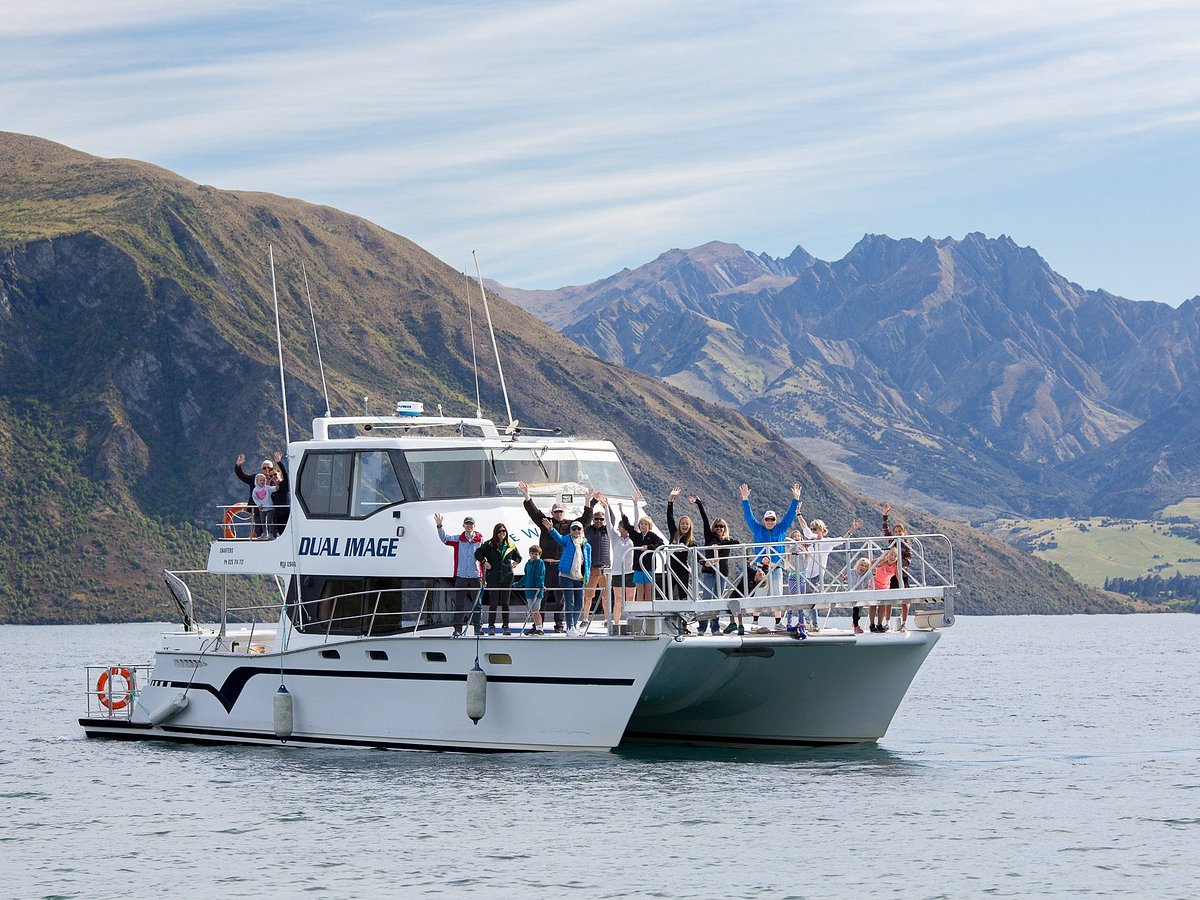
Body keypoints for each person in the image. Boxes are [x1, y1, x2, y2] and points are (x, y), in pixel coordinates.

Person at [741, 482, 802, 627]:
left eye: (772, 519)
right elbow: (748, 517)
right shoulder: (758, 529)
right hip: (761, 567)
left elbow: (789, 516)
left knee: (777, 593)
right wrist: (745, 500)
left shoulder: (781, 529)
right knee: (760, 593)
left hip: (776, 566)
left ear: (775, 520)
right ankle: (755, 621)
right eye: (767, 519)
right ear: (764, 520)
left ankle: (777, 622)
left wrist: (796, 499)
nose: (770, 522)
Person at [796, 510, 863, 631]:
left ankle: (814, 624)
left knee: (812, 599)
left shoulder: (827, 542)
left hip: (817, 575)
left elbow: (842, 540)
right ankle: (808, 623)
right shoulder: (811, 538)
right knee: (807, 600)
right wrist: (798, 513)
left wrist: (852, 530)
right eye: (812, 529)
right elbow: (804, 526)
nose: (813, 531)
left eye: (815, 529)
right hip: (807, 573)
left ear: (822, 529)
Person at [519, 482, 568, 633]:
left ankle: (559, 625)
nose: (558, 514)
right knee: (541, 595)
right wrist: (527, 495)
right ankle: (538, 626)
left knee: (560, 597)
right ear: (552, 513)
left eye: (560, 512)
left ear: (564, 513)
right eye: (556, 512)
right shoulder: (546, 522)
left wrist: (590, 503)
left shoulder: (569, 525)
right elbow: (534, 512)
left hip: (560, 566)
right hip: (545, 566)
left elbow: (585, 521)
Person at [693, 496, 742, 635]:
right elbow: (704, 520)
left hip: (722, 573)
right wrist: (699, 503)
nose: (719, 528)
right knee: (707, 600)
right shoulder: (709, 537)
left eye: (722, 526)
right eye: (717, 526)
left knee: (718, 600)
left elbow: (738, 543)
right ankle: (702, 627)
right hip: (709, 571)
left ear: (725, 528)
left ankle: (715, 628)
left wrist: (720, 544)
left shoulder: (728, 540)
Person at [435, 512, 483, 636]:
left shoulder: (480, 540)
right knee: (459, 604)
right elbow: (445, 538)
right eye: (467, 524)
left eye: (471, 524)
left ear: (474, 526)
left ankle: (478, 629)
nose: (469, 526)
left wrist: (484, 577)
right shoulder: (458, 539)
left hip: (475, 575)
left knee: (477, 604)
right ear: (463, 526)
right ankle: (457, 629)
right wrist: (440, 526)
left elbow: (484, 557)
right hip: (461, 575)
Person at [544, 518, 591, 633]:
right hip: (566, 575)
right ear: (570, 530)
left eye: (578, 529)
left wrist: (587, 576)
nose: (576, 531)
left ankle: (574, 625)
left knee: (579, 603)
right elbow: (558, 538)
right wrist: (551, 529)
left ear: (582, 530)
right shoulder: (567, 540)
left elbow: (588, 562)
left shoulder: (586, 545)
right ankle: (570, 627)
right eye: (573, 529)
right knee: (570, 601)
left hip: (580, 576)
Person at [475, 523, 521, 635]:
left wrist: (516, 562)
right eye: (499, 531)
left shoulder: (511, 545)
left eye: (504, 531)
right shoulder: (489, 544)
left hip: (507, 577)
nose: (502, 533)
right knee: (493, 603)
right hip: (493, 577)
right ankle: (491, 626)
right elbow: (478, 553)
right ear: (495, 533)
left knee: (505, 604)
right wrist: (485, 562)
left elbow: (518, 556)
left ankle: (506, 626)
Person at [578, 491, 612, 632]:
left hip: (606, 568)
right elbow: (586, 517)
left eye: (601, 519)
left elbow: (612, 519)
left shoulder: (608, 530)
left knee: (606, 597)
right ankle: (585, 619)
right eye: (596, 519)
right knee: (588, 596)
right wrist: (593, 502)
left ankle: (606, 619)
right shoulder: (588, 530)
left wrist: (606, 506)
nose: (599, 521)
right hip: (591, 567)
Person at [621, 502, 664, 605]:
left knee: (648, 590)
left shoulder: (652, 536)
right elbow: (628, 527)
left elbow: (661, 544)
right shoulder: (637, 536)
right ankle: (640, 608)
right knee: (640, 590)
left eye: (646, 524)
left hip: (649, 567)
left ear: (649, 526)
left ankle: (648, 608)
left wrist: (649, 547)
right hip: (638, 567)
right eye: (642, 524)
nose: (643, 526)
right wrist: (622, 513)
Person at [605, 497, 636, 634]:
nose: (624, 529)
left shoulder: (632, 538)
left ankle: (631, 623)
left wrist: (635, 505)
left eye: (625, 527)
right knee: (618, 600)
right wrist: (606, 507)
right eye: (622, 527)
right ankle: (616, 624)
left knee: (630, 600)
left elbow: (636, 522)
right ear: (619, 528)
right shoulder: (614, 537)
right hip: (617, 572)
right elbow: (608, 524)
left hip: (630, 572)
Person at [883, 502, 914, 631]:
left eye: (899, 532)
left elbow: (909, 558)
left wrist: (900, 566)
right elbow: (885, 530)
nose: (897, 533)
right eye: (895, 531)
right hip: (891, 574)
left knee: (905, 599)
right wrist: (885, 515)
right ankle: (887, 622)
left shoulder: (907, 544)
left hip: (903, 573)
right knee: (889, 598)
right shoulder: (892, 541)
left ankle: (904, 622)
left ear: (904, 533)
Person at [665, 488, 698, 607]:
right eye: (682, 523)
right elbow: (670, 517)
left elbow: (698, 555)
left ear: (690, 527)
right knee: (667, 593)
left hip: (682, 570)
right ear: (679, 525)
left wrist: (706, 562)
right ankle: (667, 616)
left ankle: (684, 621)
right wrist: (670, 500)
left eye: (687, 524)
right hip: (670, 567)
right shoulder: (674, 533)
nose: (684, 525)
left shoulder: (691, 541)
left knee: (683, 594)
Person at [235, 453, 279, 539]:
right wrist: (238, 465)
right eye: (264, 468)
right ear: (261, 469)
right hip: (259, 510)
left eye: (269, 467)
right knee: (259, 529)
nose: (266, 469)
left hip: (272, 510)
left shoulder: (275, 479)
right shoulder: (255, 478)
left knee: (273, 529)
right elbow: (242, 476)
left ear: (272, 468)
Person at [520, 545, 547, 635]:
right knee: (532, 610)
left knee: (536, 610)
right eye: (532, 553)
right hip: (529, 590)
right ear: (529, 554)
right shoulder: (527, 564)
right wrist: (518, 584)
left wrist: (540, 586)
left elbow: (540, 575)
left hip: (537, 590)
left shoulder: (540, 562)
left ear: (539, 554)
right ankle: (536, 627)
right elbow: (526, 576)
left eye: (536, 554)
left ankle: (540, 628)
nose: (534, 555)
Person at [871, 547, 899, 632]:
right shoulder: (882, 562)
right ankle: (872, 624)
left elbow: (899, 578)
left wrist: (902, 589)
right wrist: (880, 559)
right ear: (887, 554)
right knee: (873, 604)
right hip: (874, 584)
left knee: (882, 605)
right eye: (891, 554)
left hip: (885, 586)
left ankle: (879, 624)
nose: (892, 557)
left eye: (895, 556)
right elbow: (870, 562)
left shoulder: (895, 567)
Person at [268, 451, 289, 537]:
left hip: (286, 514)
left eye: (275, 474)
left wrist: (279, 462)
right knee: (281, 534)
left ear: (279, 473)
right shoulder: (273, 491)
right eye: (271, 476)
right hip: (278, 516)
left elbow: (286, 474)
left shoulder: (284, 484)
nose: (273, 477)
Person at [251, 472, 273, 539]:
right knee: (262, 521)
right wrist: (258, 504)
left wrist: (277, 486)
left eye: (263, 480)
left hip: (269, 507)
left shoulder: (268, 488)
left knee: (269, 521)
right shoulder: (255, 490)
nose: (262, 482)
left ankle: (270, 533)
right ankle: (264, 533)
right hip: (262, 508)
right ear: (257, 481)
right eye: (260, 480)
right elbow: (254, 498)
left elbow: (274, 488)